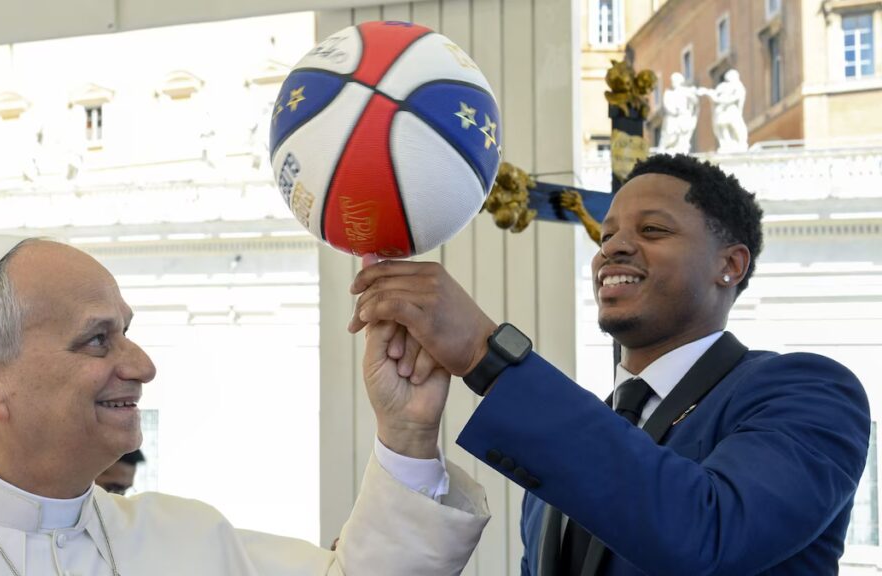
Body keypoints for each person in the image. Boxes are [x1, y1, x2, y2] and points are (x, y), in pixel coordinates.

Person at [348, 153, 870, 575]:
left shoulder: (807, 392)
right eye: (607, 236)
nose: (614, 247)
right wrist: (409, 438)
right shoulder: (566, 444)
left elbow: (708, 536)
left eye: (654, 231)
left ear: (728, 265)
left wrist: (489, 354)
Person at [0, 236, 489, 575]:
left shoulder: (191, 540)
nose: (142, 366)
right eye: (98, 338)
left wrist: (406, 432)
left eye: (127, 331)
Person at [699, 69, 748, 153]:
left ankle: (740, 143)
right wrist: (706, 92)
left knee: (735, 126)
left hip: (731, 110)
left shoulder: (738, 86)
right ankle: (726, 144)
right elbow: (715, 94)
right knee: (722, 126)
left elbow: (737, 97)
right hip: (721, 111)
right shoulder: (722, 86)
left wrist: (723, 100)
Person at [658, 72, 699, 154]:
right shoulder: (668, 93)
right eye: (672, 80)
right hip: (672, 117)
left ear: (680, 81)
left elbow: (695, 102)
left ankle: (681, 150)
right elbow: (666, 104)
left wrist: (692, 97)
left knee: (683, 135)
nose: (673, 82)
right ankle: (665, 149)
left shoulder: (686, 91)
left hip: (683, 116)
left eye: (675, 80)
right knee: (670, 134)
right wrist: (673, 111)